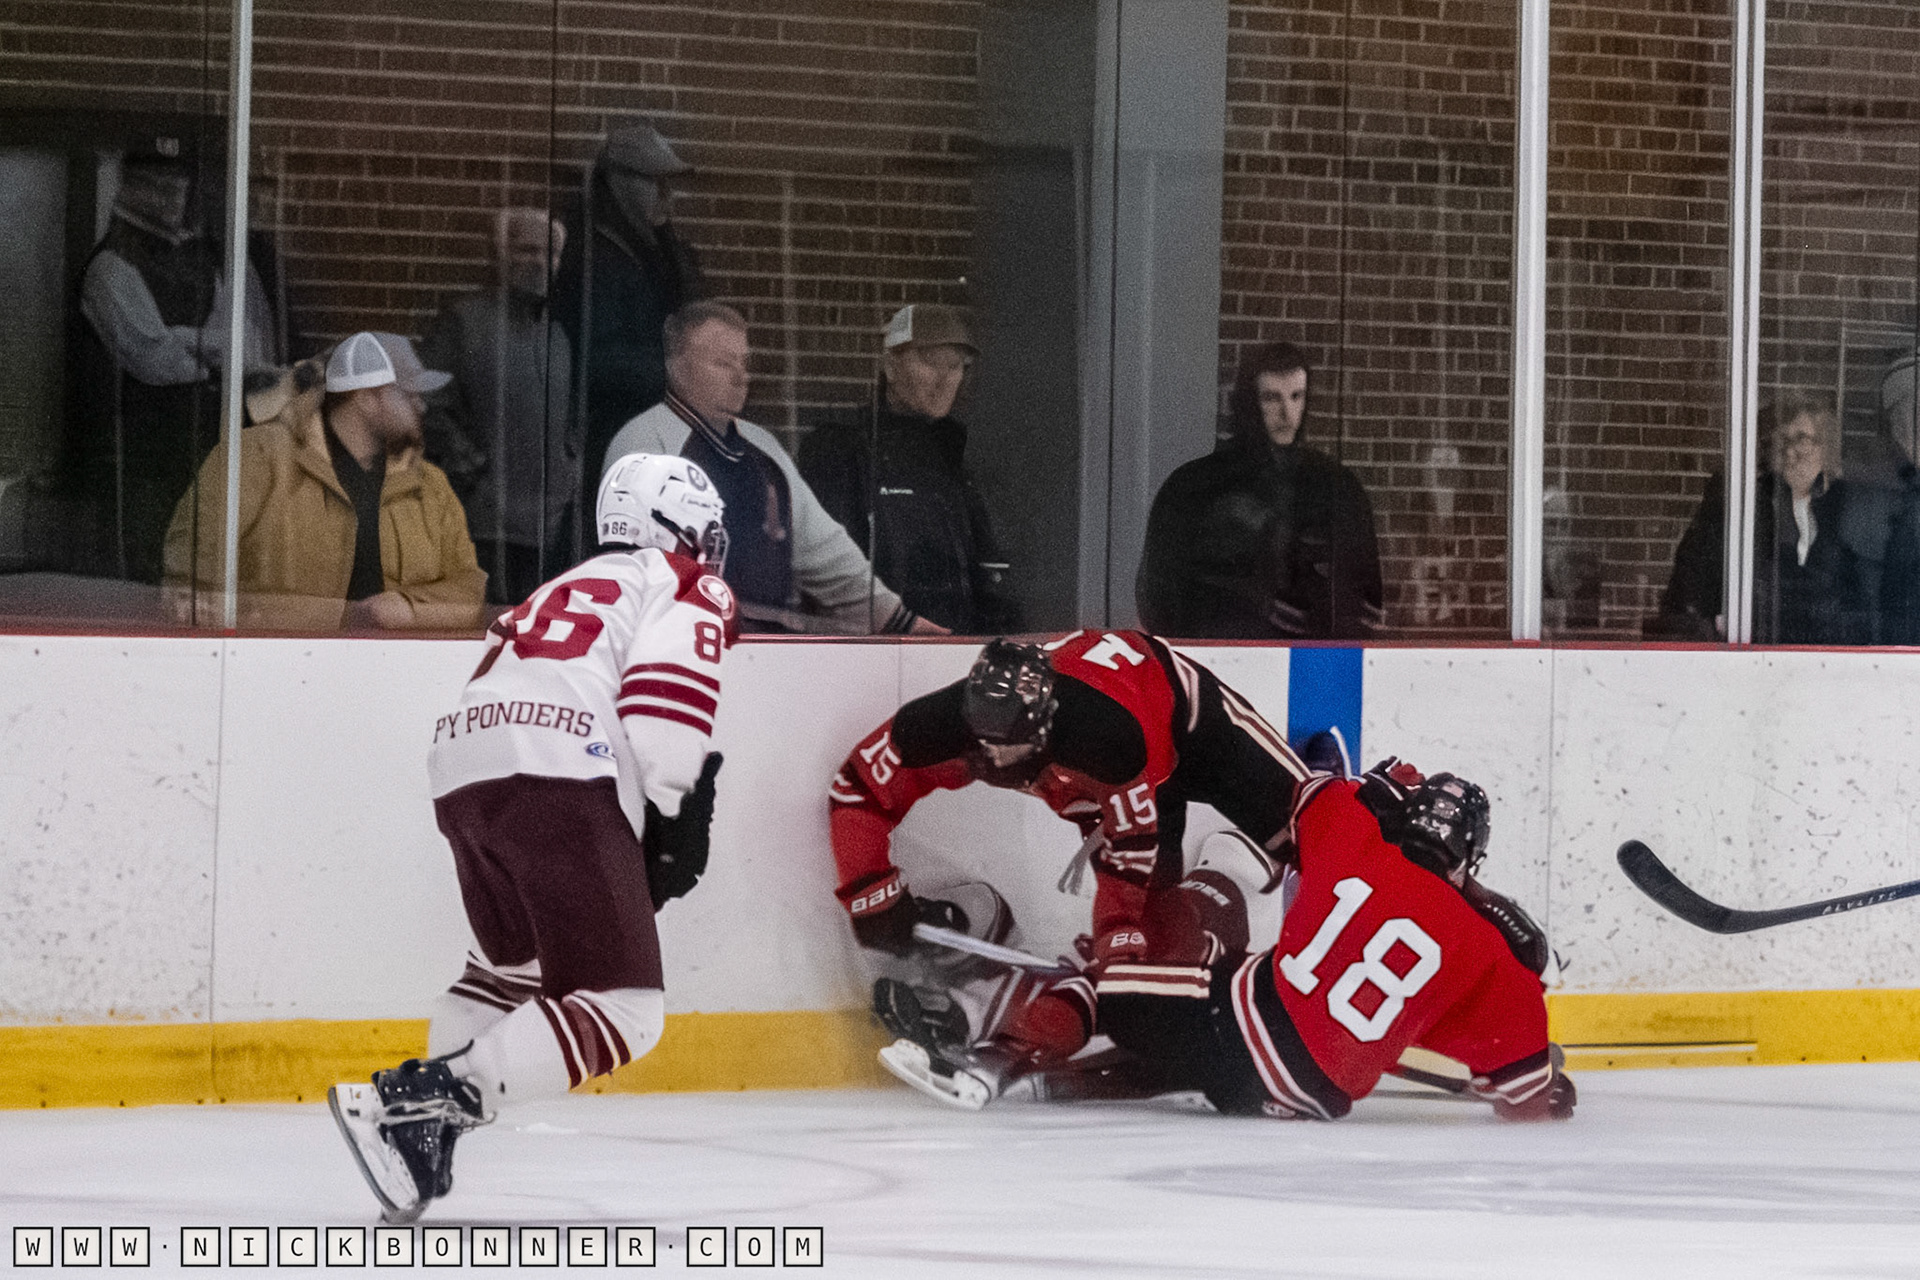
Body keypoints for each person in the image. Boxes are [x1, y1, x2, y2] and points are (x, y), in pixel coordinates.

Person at [328, 451, 736, 1224]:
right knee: (626, 1010)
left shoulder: (558, 586)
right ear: (681, 524)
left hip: (462, 768)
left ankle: (419, 1138)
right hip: (560, 771)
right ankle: (419, 1099)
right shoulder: (684, 582)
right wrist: (674, 813)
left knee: (504, 971)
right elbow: (663, 708)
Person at [887, 760, 1574, 1124]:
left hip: (1246, 1020)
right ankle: (1051, 1087)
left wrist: (1377, 793)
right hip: (1312, 1098)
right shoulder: (1488, 953)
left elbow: (1318, 793)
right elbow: (1525, 1093)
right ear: (1471, 860)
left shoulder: (1359, 845)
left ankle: (991, 1059)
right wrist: (1546, 1079)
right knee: (1178, 1056)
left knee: (1115, 977)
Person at [829, 629, 1316, 1104]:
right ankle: (1223, 892)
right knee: (1162, 956)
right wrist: (870, 891)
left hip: (1187, 720)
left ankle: (1261, 866)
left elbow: (1129, 846)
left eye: (1008, 742)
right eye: (981, 739)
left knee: (1312, 825)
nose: (991, 755)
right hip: (1117, 790)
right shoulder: (943, 725)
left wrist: (1117, 936)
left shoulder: (1103, 738)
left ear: (1044, 724)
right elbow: (856, 786)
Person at [603, 301, 943, 634]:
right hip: (684, 649)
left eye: (744, 362)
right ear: (675, 366)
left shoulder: (762, 445)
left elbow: (823, 550)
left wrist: (901, 621)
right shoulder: (643, 443)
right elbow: (646, 578)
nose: (741, 377)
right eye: (723, 363)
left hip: (768, 650)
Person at [160, 333, 485, 632]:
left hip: (392, 676)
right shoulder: (257, 457)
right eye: (410, 394)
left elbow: (469, 586)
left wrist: (407, 610)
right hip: (276, 677)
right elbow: (188, 581)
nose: (422, 406)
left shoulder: (429, 485)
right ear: (368, 398)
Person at [74, 141, 277, 583]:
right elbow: (155, 359)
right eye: (157, 185)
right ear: (128, 189)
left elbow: (243, 344)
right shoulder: (110, 264)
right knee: (145, 565)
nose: (172, 196)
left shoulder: (206, 259)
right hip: (139, 447)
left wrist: (194, 344)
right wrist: (207, 351)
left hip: (202, 441)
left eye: (178, 186)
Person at [1136, 341, 1384, 638]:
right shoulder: (1196, 488)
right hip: (1220, 659)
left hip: (1311, 666)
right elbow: (1160, 599)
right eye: (1271, 398)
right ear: (1249, 401)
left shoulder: (1335, 487)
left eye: (1296, 396)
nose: (1287, 413)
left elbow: (1366, 596)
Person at [798, 304, 1018, 633]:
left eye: (956, 366)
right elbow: (829, 569)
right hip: (878, 649)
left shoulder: (956, 451)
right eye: (931, 363)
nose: (945, 378)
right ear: (891, 364)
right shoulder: (842, 446)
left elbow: (990, 568)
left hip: (956, 651)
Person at [552, 117, 708, 528]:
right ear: (622, 184)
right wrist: (677, 374)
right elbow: (595, 359)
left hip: (658, 439)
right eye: (656, 182)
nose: (667, 196)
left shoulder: (658, 250)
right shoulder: (592, 259)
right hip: (613, 444)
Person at [419, 207, 580, 606]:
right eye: (526, 250)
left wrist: (567, 472)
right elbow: (429, 403)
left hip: (549, 531)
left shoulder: (561, 332)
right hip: (483, 527)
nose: (540, 262)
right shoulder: (465, 322)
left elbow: (574, 418)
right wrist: (472, 470)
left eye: (550, 253)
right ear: (500, 255)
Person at [1649, 392, 1873, 644]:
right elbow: (1690, 582)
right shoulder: (1740, 504)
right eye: (1780, 440)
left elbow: (1856, 598)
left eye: (1801, 439)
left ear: (1825, 448)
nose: (1790, 451)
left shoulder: (1839, 509)